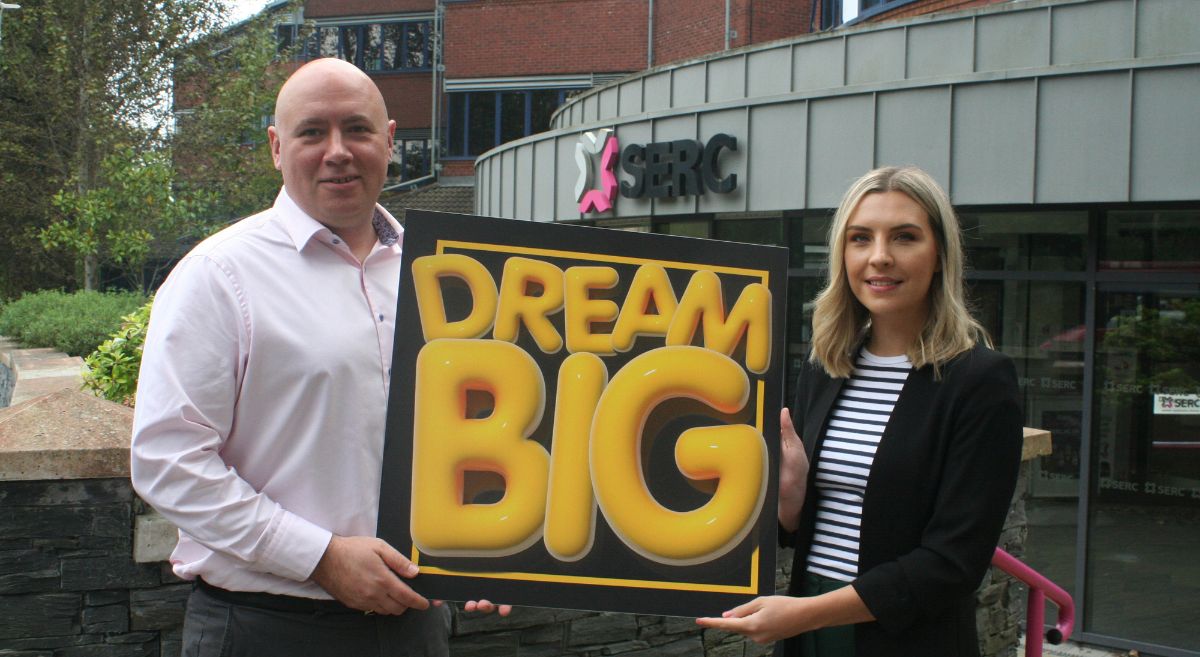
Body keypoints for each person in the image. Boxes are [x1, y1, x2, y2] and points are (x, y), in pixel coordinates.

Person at [131, 58, 506, 657]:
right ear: (277, 148)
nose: (337, 151)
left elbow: (474, 427)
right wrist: (319, 557)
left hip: (417, 626)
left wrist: (487, 544)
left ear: (389, 141)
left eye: (357, 129)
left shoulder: (443, 277)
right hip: (267, 630)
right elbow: (166, 461)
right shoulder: (218, 276)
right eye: (312, 132)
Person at [697, 166, 1022, 656]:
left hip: (905, 639)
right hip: (809, 633)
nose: (880, 257)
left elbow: (952, 562)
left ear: (939, 256)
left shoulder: (979, 380)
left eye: (905, 237)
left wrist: (805, 614)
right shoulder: (825, 368)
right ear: (842, 255)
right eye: (860, 238)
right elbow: (815, 526)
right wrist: (789, 504)